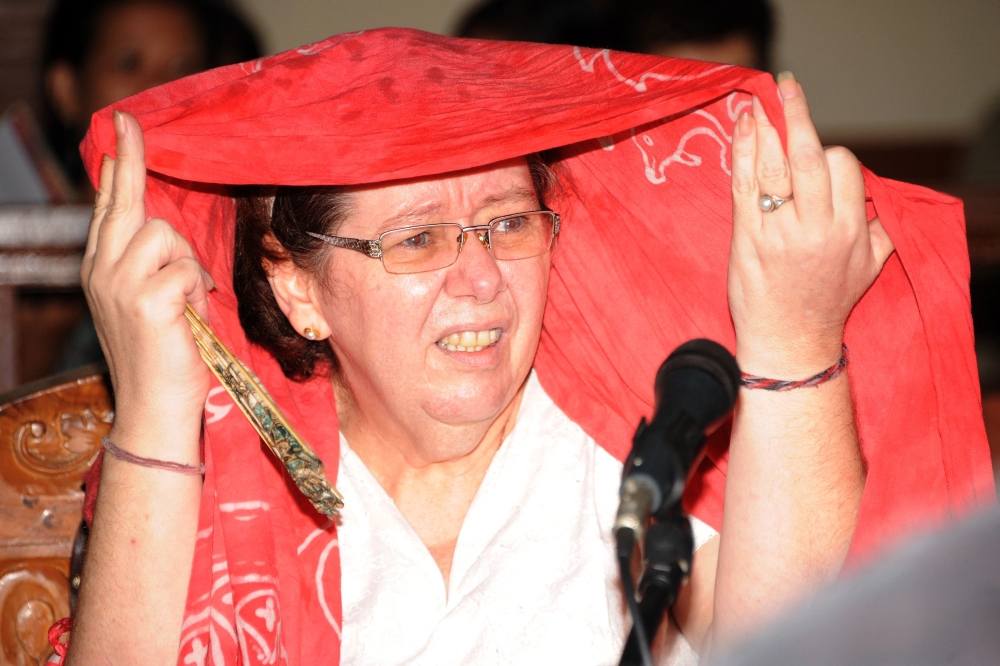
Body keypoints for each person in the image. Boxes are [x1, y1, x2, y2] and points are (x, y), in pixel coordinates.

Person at [62, 30, 991, 665]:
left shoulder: (633, 438)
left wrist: (795, 337)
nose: (480, 279)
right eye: (418, 240)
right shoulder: (233, 471)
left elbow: (784, 644)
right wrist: (150, 410)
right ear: (298, 289)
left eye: (508, 223)